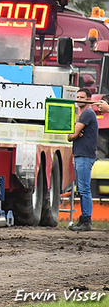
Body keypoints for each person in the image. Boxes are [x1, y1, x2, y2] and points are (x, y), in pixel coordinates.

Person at [67, 88, 98, 231]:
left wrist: (74, 133)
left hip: (85, 156)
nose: (78, 99)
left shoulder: (87, 114)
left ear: (88, 99)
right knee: (81, 189)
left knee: (84, 189)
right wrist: (73, 134)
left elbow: (72, 135)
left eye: (82, 97)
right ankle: (84, 219)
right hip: (80, 155)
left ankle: (86, 220)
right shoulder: (84, 115)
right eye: (77, 96)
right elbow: (71, 135)